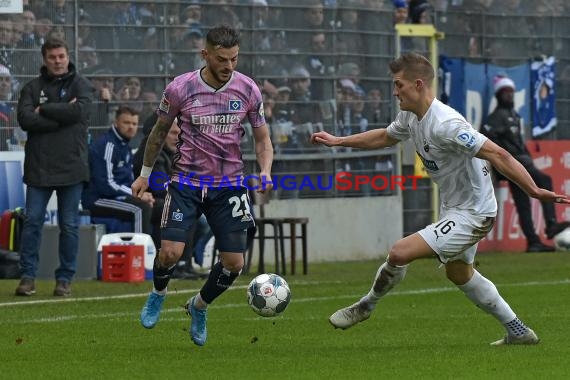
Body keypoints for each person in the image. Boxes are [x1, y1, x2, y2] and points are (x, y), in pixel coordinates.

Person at [310, 53, 569, 345]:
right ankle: (518, 331)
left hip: (474, 213)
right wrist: (339, 141)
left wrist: (533, 190)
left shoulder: (447, 125)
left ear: (418, 84)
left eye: (399, 85)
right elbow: (385, 136)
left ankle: (366, 305)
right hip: (455, 208)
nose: (395, 92)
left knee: (399, 252)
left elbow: (499, 154)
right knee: (459, 273)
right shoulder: (410, 116)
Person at [132, 24, 273, 346]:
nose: (229, 66)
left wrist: (265, 170)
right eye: (222, 59)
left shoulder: (248, 89)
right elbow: (157, 133)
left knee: (234, 263)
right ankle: (158, 293)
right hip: (186, 182)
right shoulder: (180, 88)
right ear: (205, 54)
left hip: (230, 185)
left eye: (234, 59)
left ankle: (199, 306)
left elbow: (263, 139)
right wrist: (144, 174)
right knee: (169, 253)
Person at [15, 37, 94, 296]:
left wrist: (44, 110)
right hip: (39, 167)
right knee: (32, 222)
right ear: (44, 60)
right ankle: (27, 277)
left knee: (69, 225)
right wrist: (61, 116)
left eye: (61, 56)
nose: (58, 61)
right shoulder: (31, 87)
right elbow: (26, 120)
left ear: (68, 56)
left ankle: (65, 279)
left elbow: (79, 113)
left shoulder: (81, 84)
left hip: (72, 167)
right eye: (52, 57)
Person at [481, 75, 570, 252]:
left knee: (523, 202)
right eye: (506, 93)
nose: (510, 96)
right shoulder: (496, 117)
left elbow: (517, 142)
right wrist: (503, 159)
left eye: (512, 93)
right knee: (544, 180)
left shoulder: (514, 115)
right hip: (512, 162)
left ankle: (533, 242)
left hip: (520, 161)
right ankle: (551, 225)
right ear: (498, 95)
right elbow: (486, 136)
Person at [82, 105, 154, 236]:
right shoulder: (108, 145)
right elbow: (106, 185)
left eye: (134, 123)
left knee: (156, 207)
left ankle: (160, 254)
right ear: (115, 123)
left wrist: (141, 195)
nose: (131, 127)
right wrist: (137, 195)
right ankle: (140, 253)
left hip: (117, 196)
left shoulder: (125, 144)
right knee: (139, 209)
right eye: (126, 122)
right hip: (98, 199)